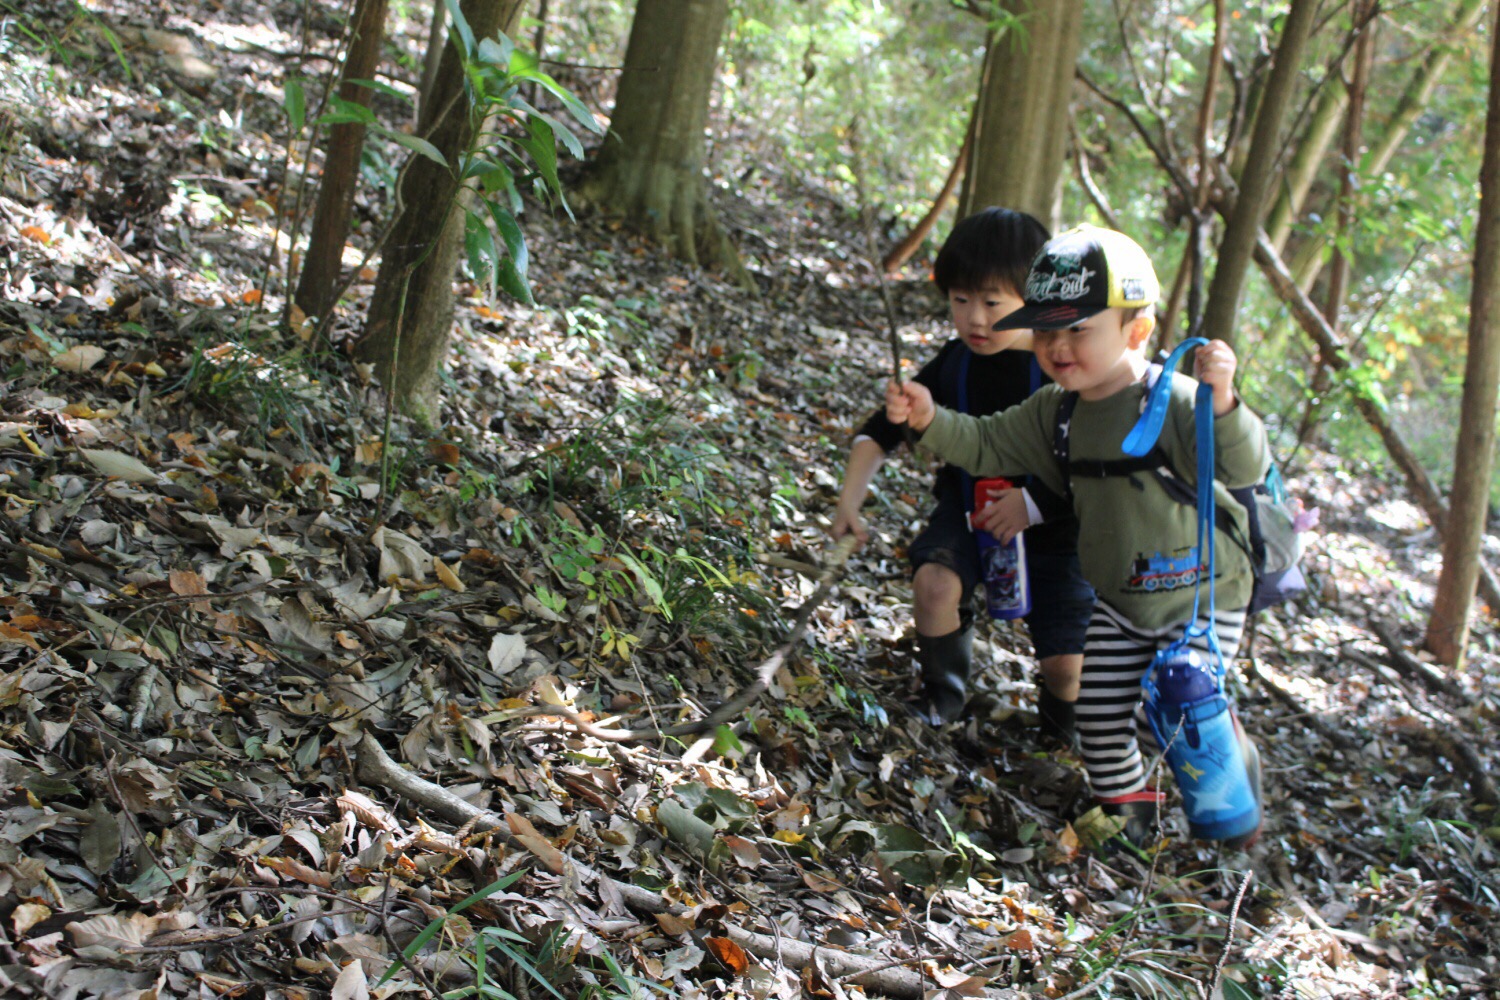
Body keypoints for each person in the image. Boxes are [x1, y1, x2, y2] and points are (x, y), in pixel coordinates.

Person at [884, 224, 1270, 847]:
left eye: (1079, 329)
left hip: (1202, 594)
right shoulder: (1057, 411)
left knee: (1177, 706)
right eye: (1045, 330)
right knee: (1095, 718)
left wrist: (1222, 403)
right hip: (1119, 602)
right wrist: (929, 418)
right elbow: (985, 443)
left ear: (1136, 331)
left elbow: (1242, 466)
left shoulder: (1174, 401)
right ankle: (1128, 815)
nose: (1058, 346)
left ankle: (1230, 798)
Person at [831, 207, 1096, 735]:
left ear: (1034, 298)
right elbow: (878, 434)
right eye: (960, 300)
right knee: (934, 584)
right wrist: (848, 503)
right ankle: (941, 697)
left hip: (1058, 530)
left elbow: (1089, 464)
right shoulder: (955, 364)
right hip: (970, 507)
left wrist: (1035, 503)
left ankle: (1058, 733)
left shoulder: (1064, 369)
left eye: (993, 302)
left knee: (1068, 667)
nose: (975, 318)